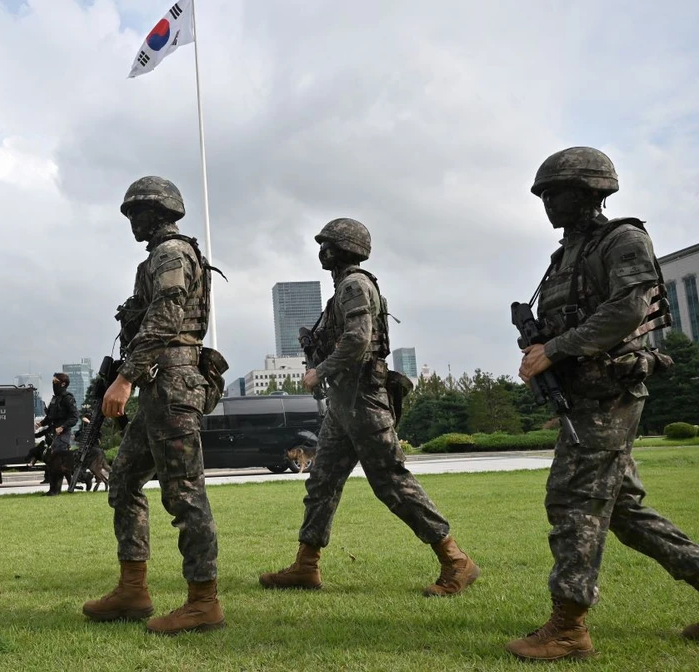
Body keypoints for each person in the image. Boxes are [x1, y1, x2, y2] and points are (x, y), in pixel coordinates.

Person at [507, 147, 699, 660]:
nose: (546, 202)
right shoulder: (563, 257)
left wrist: (556, 349)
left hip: (609, 392)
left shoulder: (623, 240)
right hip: (582, 395)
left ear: (590, 192)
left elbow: (629, 308)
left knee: (573, 500)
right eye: (543, 194)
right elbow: (566, 324)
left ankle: (569, 628)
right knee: (624, 511)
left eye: (556, 192)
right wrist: (541, 350)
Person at [258, 218, 480, 599]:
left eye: (326, 244)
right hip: (344, 404)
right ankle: (306, 566)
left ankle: (456, 560)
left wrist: (320, 371)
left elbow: (359, 340)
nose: (321, 251)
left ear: (342, 248)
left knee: (391, 482)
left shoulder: (354, 285)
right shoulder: (342, 290)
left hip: (364, 399)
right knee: (322, 482)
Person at [82, 175, 225, 635]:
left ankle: (203, 601)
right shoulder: (157, 258)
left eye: (136, 214)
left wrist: (124, 379)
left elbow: (165, 315)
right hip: (158, 386)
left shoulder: (171, 253)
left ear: (158, 212)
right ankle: (133, 589)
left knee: (184, 494)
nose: (131, 223)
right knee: (123, 482)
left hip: (174, 383)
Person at [38, 373, 79, 495]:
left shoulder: (67, 397)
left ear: (63, 384)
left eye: (56, 382)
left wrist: (63, 427)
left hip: (63, 434)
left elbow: (74, 417)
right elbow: (50, 416)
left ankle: (56, 490)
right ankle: (53, 489)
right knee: (52, 461)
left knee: (57, 462)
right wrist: (41, 423)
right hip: (53, 432)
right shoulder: (55, 398)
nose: (53, 384)